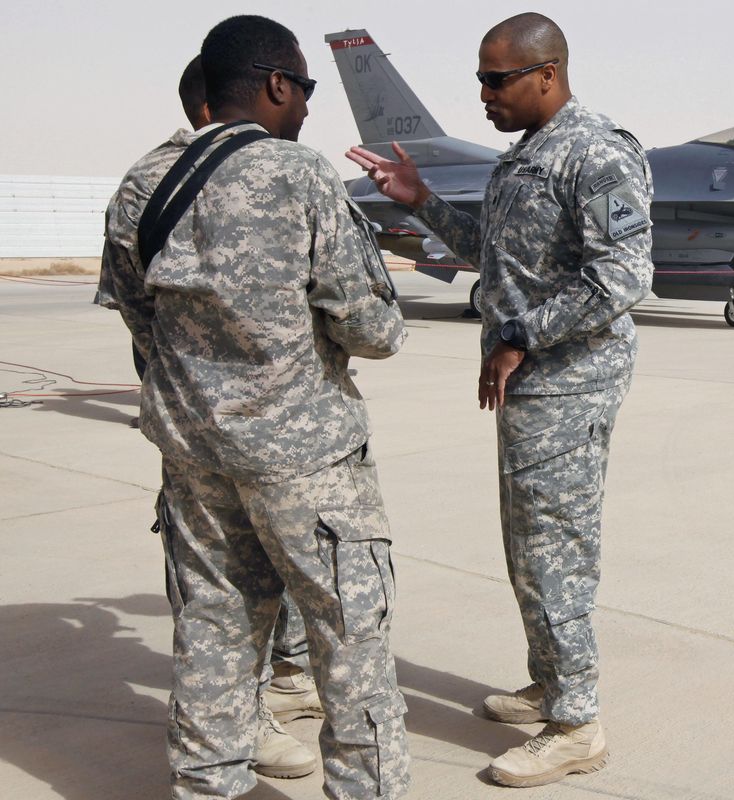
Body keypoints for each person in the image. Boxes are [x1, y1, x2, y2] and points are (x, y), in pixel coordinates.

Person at [103, 15, 411, 798]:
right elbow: (373, 329)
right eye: (304, 88)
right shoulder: (297, 174)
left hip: (192, 458)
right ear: (276, 83)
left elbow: (142, 323)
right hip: (305, 465)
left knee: (211, 633)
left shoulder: (145, 180)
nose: (307, 105)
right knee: (351, 646)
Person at [348, 11, 652, 788]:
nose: (483, 94)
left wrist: (521, 333)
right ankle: (553, 681)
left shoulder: (596, 152)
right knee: (529, 548)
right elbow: (496, 253)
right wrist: (418, 200)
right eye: (480, 78)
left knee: (556, 552)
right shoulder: (524, 159)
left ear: (546, 73)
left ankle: (578, 722)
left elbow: (624, 276)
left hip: (566, 380)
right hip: (531, 380)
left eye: (496, 78)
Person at [100, 52, 325, 782]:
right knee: (232, 588)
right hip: (262, 430)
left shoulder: (144, 180)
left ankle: (268, 694)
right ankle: (246, 716)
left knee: (233, 583)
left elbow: (138, 315)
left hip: (194, 426)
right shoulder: (240, 173)